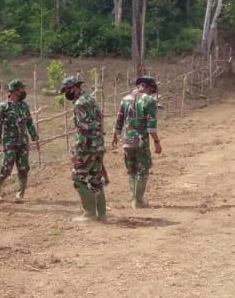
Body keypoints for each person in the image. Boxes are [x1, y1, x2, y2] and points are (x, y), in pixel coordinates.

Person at [60, 74, 107, 221]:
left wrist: (76, 152)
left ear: (74, 88)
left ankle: (89, 214)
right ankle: (102, 214)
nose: (66, 93)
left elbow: (83, 129)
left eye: (67, 89)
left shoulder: (80, 103)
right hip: (98, 146)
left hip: (87, 148)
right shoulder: (91, 99)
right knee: (95, 179)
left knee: (77, 178)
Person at [112, 75, 162, 208]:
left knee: (131, 169)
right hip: (141, 140)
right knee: (143, 168)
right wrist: (157, 142)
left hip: (127, 139)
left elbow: (119, 120)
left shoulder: (125, 99)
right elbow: (151, 126)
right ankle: (138, 201)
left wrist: (115, 135)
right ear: (150, 88)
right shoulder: (149, 100)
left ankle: (134, 198)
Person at [0, 79, 40, 202]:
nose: (23, 91)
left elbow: (29, 123)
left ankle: (20, 195)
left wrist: (35, 138)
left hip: (23, 142)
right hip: (9, 142)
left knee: (23, 168)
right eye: (21, 89)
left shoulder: (24, 106)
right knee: (7, 166)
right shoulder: (3, 107)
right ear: (14, 91)